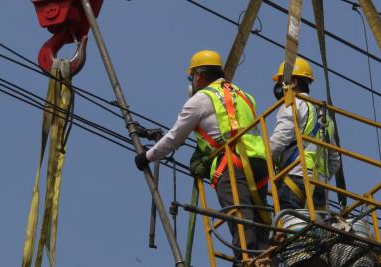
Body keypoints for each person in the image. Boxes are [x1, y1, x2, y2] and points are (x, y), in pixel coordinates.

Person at [134, 50, 270, 261]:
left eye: (191, 77)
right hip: (260, 163)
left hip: (232, 164)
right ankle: (267, 261)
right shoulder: (245, 95)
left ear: (198, 75)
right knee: (260, 220)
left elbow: (175, 137)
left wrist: (147, 156)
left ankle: (246, 263)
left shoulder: (200, 99)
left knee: (241, 220)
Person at [269, 58, 341, 211]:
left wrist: (264, 163)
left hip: (294, 179)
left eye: (282, 81)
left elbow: (278, 141)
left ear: (293, 82)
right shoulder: (326, 117)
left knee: (286, 229)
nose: (278, 87)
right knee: (316, 233)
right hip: (319, 187)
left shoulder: (294, 104)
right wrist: (322, 177)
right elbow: (334, 160)